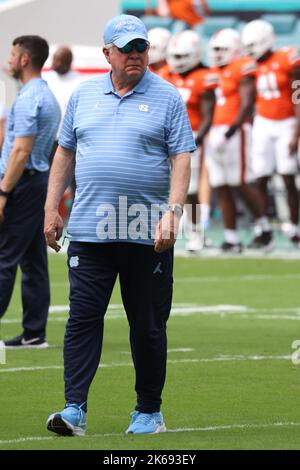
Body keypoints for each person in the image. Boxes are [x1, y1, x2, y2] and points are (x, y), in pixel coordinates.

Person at [44, 14, 195, 436]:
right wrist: (51, 208)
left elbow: (181, 156)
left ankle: (149, 412)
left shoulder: (167, 96)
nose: (135, 55)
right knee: (82, 320)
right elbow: (64, 153)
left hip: (147, 232)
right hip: (90, 232)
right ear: (107, 52)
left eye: (141, 47)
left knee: (147, 324)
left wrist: (174, 212)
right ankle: (74, 409)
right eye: (126, 48)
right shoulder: (83, 94)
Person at [0, 36, 61, 347]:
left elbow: (21, 152)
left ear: (24, 59)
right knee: (33, 261)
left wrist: (3, 193)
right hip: (37, 181)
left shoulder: (28, 99)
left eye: (12, 54)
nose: (8, 60)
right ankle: (34, 331)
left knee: (4, 256)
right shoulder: (45, 95)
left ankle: (34, 330)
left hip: (22, 183)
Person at [206, 28, 272, 252]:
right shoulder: (213, 71)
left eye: (222, 49)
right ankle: (231, 236)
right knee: (220, 184)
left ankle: (264, 227)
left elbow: (246, 103)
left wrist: (230, 131)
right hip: (215, 131)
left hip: (236, 131)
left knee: (239, 182)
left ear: (234, 49)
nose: (217, 54)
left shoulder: (242, 66)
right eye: (214, 50)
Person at [242, 19, 300, 248]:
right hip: (263, 123)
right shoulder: (252, 66)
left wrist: (296, 132)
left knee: (287, 177)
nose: (250, 50)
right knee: (260, 177)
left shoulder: (287, 60)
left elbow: (297, 98)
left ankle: (295, 228)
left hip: (286, 122)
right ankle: (263, 228)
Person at [166, 30, 217, 251]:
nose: (176, 61)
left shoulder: (204, 77)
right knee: (167, 187)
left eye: (180, 56)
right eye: (174, 56)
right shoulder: (167, 76)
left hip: (191, 136)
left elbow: (208, 115)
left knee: (191, 188)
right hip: (168, 137)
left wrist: (197, 140)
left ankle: (196, 232)